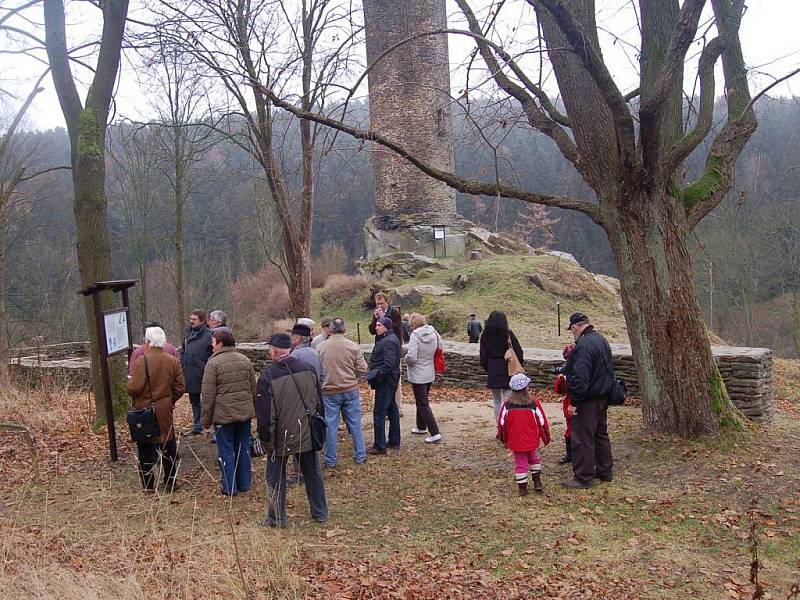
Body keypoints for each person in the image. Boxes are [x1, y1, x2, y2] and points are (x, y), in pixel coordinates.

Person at [256, 333, 328, 527]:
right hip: (306, 432)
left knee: (274, 478)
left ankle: (276, 519)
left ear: (273, 350)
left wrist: (266, 442)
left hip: (281, 438)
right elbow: (319, 404)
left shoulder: (267, 378)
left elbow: (265, 417)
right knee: (313, 473)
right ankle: (320, 513)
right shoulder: (309, 369)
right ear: (290, 349)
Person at [127, 326, 186, 493]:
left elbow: (133, 388)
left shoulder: (141, 362)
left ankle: (148, 487)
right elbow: (180, 387)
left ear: (147, 342)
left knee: (145, 450)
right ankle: (170, 482)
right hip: (165, 410)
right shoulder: (173, 361)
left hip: (145, 412)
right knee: (168, 446)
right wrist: (168, 400)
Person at [560, 312, 615, 489]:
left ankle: (583, 477)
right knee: (600, 435)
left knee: (583, 437)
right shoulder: (601, 340)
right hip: (602, 396)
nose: (572, 333)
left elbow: (580, 377)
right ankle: (605, 470)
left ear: (576, 327)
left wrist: (574, 402)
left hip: (588, 399)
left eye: (572, 329)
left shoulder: (583, 345)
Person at [201, 329, 256, 496]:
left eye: (213, 342)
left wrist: (205, 422)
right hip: (244, 414)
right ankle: (245, 483)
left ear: (220, 344)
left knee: (226, 451)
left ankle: (229, 487)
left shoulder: (213, 364)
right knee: (243, 448)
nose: (211, 345)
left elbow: (208, 396)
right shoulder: (245, 360)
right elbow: (254, 388)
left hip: (223, 416)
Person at [318, 318, 368, 467]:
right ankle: (360, 455)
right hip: (349, 389)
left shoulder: (321, 347)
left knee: (330, 426)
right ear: (344, 330)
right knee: (355, 424)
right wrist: (353, 377)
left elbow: (316, 369)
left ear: (331, 329)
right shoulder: (352, 346)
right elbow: (363, 368)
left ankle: (330, 460)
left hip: (328, 391)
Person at [496, 373, 551, 495]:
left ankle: (523, 488)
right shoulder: (534, 404)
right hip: (531, 439)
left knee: (520, 463)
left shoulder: (507, 405)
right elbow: (542, 422)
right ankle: (537, 482)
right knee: (534, 458)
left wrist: (503, 438)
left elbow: (501, 423)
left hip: (515, 441)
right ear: (526, 388)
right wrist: (546, 438)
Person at [479, 311, 524, 421]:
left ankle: (499, 425)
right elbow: (519, 352)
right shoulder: (508, 334)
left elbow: (483, 357)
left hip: (493, 368)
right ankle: (508, 424)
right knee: (507, 399)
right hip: (508, 368)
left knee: (496, 400)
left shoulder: (485, 335)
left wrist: (488, 368)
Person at [405, 313, 442, 444]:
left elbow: (412, 356)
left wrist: (406, 359)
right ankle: (421, 426)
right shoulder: (434, 332)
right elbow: (440, 347)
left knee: (423, 403)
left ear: (413, 324)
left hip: (417, 374)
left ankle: (435, 432)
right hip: (429, 372)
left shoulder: (415, 336)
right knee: (421, 400)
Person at [366, 317, 401, 455]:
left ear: (386, 326)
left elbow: (389, 364)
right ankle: (394, 440)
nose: (376, 327)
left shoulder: (389, 341)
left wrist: (377, 377)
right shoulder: (388, 339)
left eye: (379, 325)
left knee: (379, 412)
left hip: (386, 381)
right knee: (392, 409)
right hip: (389, 380)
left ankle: (380, 446)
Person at [180, 309, 214, 435]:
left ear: (202, 320)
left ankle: (209, 426)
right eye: (191, 319)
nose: (191, 321)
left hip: (204, 373)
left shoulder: (209, 334)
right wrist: (182, 363)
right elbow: (183, 350)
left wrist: (206, 366)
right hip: (190, 373)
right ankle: (198, 426)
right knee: (194, 401)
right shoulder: (187, 333)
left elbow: (213, 352)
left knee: (208, 400)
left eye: (194, 319)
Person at [553, 344, 575, 464]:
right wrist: (561, 379)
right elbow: (559, 390)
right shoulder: (566, 373)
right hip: (569, 403)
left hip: (577, 402)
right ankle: (570, 454)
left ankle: (576, 454)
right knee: (570, 429)